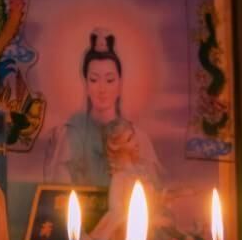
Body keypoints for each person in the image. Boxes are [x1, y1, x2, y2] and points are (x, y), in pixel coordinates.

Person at [43, 28, 160, 187]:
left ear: (120, 84)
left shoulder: (137, 138)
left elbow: (152, 191)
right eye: (94, 80)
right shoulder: (69, 135)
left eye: (109, 80)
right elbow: (59, 191)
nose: (102, 89)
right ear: (86, 84)